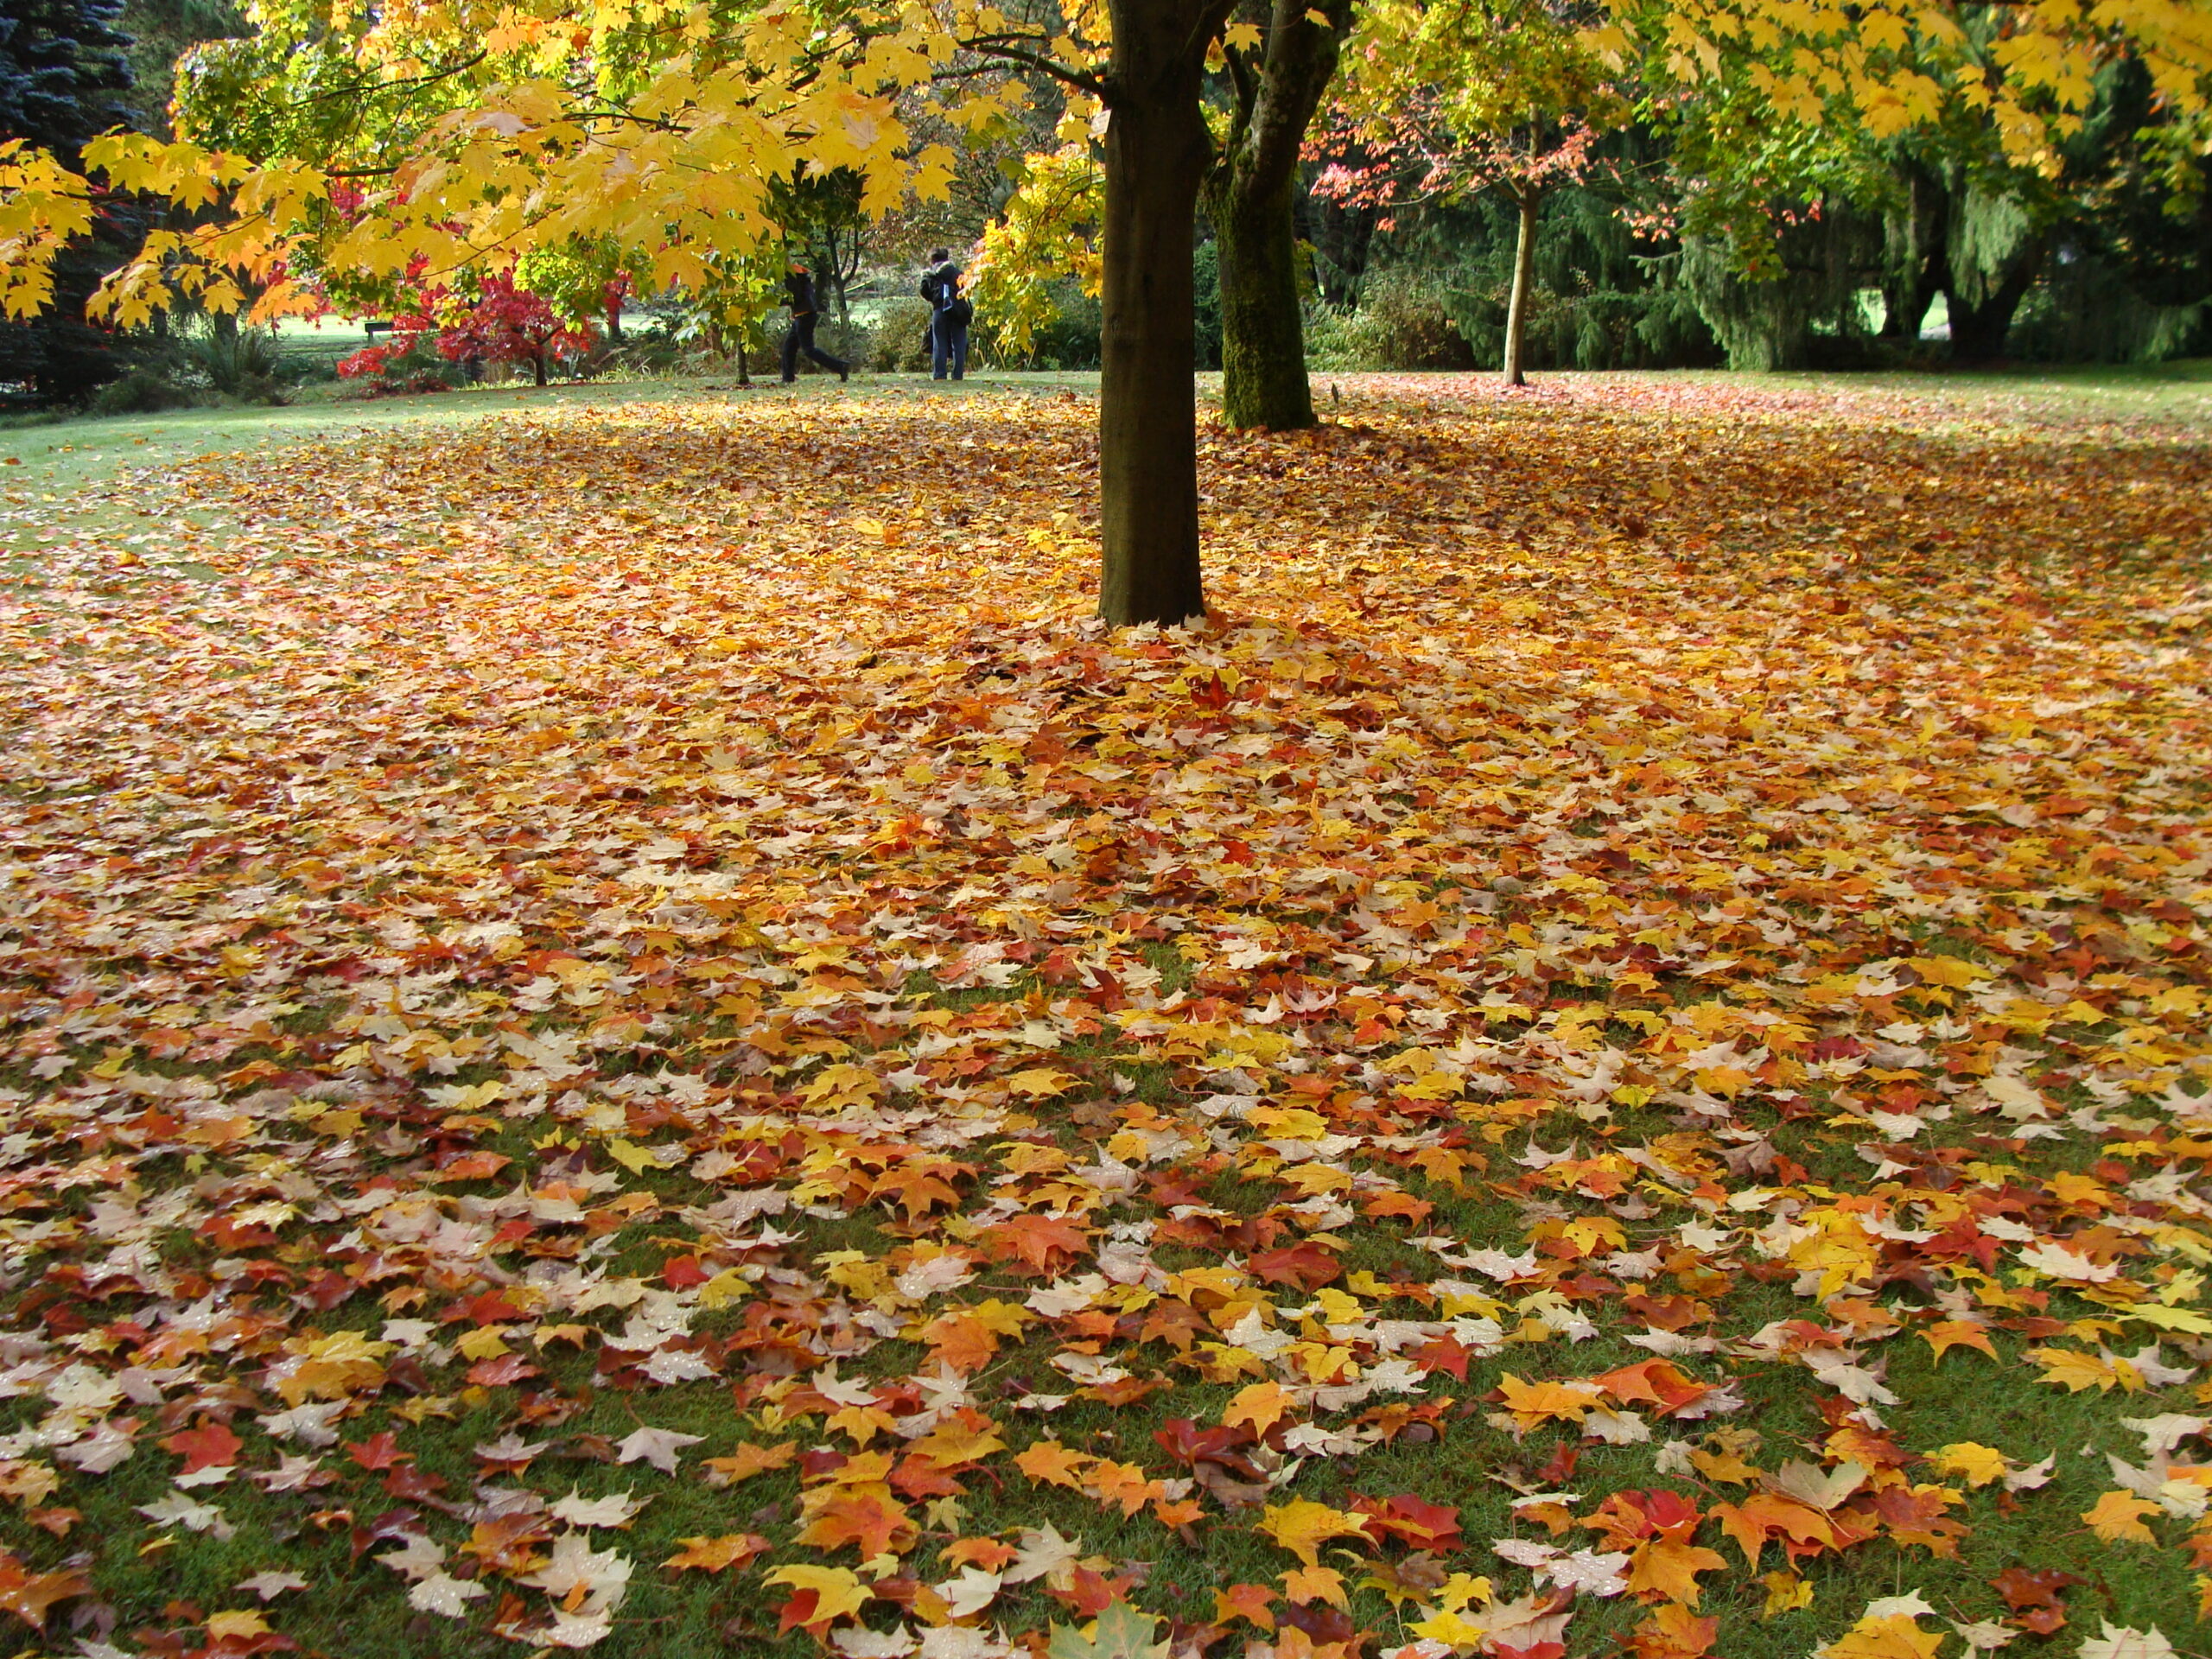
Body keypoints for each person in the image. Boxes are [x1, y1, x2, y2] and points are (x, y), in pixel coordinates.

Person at [780, 260, 849, 384]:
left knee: (808, 350)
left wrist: (778, 302)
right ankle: (787, 378)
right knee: (789, 347)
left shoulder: (792, 275)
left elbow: (796, 297)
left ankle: (840, 366)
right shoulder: (801, 276)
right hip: (803, 315)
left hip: (804, 315)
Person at [921, 246, 969, 381]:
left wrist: (935, 299)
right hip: (958, 310)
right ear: (947, 258)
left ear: (932, 260)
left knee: (939, 342)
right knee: (959, 343)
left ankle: (940, 375)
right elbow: (965, 288)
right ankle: (957, 375)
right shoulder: (957, 273)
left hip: (939, 310)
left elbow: (923, 291)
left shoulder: (929, 274)